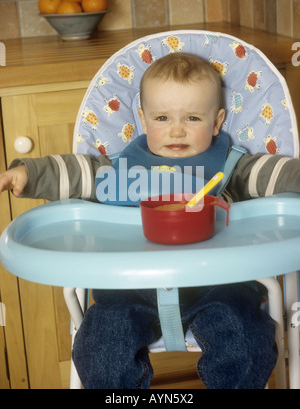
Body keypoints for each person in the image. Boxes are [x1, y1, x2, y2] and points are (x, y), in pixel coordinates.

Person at [1, 52, 299, 389]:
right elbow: (74, 172)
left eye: (192, 118)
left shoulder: (230, 168)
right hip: (129, 287)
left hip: (219, 286)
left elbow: (276, 174)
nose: (176, 130)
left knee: (246, 343)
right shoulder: (120, 169)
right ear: (142, 120)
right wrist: (29, 174)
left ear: (216, 122)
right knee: (99, 347)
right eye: (161, 118)